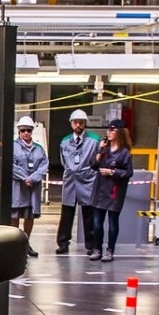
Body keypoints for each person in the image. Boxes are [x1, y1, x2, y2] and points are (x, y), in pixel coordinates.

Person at [88, 121, 134, 263]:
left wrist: (112, 172)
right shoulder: (104, 150)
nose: (109, 132)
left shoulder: (124, 153)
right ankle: (97, 249)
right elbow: (93, 165)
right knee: (97, 223)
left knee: (112, 222)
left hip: (114, 192)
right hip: (100, 191)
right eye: (108, 129)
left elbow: (128, 172)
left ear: (119, 132)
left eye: (112, 130)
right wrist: (99, 151)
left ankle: (110, 250)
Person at [56, 108, 99, 256]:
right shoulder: (65, 141)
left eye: (81, 122)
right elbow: (63, 160)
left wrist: (87, 170)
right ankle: (63, 243)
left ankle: (91, 245)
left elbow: (96, 159)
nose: (78, 125)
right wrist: (71, 170)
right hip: (70, 180)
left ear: (85, 123)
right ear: (71, 124)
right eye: (75, 122)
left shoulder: (94, 140)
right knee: (67, 213)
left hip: (88, 180)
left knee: (88, 214)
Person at [11, 116, 47, 257]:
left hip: (32, 189)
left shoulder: (39, 149)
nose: (26, 133)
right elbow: (11, 166)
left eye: (28, 130)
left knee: (29, 216)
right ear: (19, 131)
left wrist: (33, 178)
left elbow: (44, 165)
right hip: (18, 188)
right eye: (23, 130)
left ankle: (26, 243)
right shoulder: (13, 147)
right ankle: (14, 244)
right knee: (14, 216)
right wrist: (24, 177)